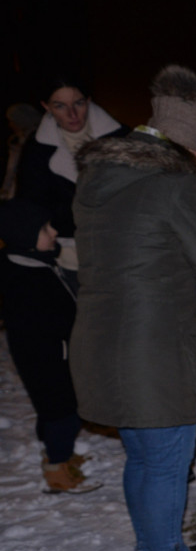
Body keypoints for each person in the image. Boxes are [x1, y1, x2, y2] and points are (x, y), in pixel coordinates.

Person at [70, 65, 196, 551]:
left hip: (98, 338)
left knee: (142, 457)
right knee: (166, 461)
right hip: (154, 348)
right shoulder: (174, 184)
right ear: (190, 146)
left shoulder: (97, 177)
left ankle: (159, 548)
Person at [0, 199, 99, 493]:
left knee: (53, 410)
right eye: (45, 229)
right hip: (48, 360)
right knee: (62, 413)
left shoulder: (32, 261)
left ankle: (59, 454)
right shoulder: (27, 278)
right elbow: (46, 323)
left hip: (53, 355)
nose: (53, 232)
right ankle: (57, 469)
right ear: (25, 235)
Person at [16, 74, 126, 275]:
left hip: (123, 250)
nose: (72, 114)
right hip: (69, 255)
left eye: (79, 103)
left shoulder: (123, 140)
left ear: (89, 101)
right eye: (60, 106)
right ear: (46, 107)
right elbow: (31, 206)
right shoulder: (36, 151)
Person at [1, 103, 43, 200]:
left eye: (13, 121)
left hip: (32, 193)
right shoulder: (16, 140)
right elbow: (11, 169)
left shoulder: (38, 139)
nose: (11, 125)